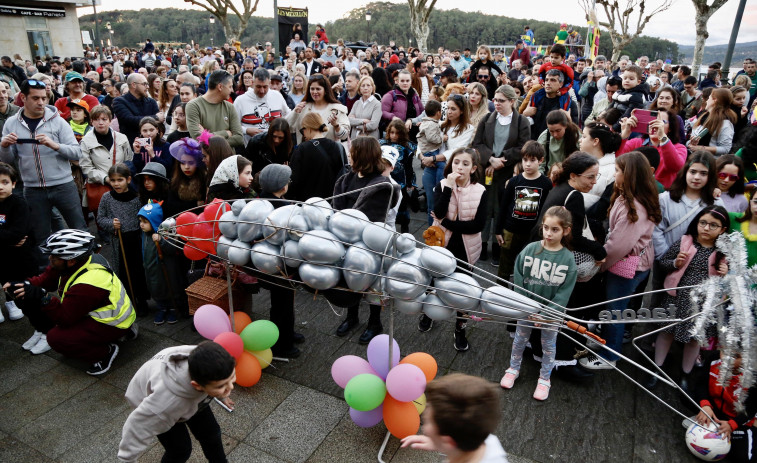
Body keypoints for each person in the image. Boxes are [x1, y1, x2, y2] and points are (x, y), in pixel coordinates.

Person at [4, 229, 135, 373]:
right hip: (107, 313)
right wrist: (25, 285)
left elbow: (64, 318)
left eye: (54, 256)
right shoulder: (78, 260)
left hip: (115, 323)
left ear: (71, 260)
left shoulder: (88, 284)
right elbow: (47, 279)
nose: (50, 259)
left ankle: (105, 352)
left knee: (56, 338)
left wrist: (43, 297)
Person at [579, 152, 661, 371]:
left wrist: (599, 264)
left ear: (629, 175)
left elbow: (618, 245)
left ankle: (609, 356)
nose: (614, 174)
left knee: (615, 310)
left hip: (627, 265)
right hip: (636, 264)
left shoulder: (633, 206)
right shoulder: (633, 197)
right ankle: (607, 343)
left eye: (617, 170)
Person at [0, 79, 87, 265]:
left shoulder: (58, 122)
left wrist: (55, 145)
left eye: (44, 98)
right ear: (23, 98)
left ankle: (87, 267)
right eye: (35, 98)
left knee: (78, 228)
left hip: (63, 185)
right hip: (33, 189)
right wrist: (5, 146)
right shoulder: (11, 123)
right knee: (40, 235)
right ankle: (47, 278)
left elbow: (77, 152)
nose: (41, 102)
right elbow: (7, 161)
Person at [647, 206, 729, 390]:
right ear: (697, 223)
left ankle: (685, 374)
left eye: (713, 225)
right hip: (676, 298)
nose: (707, 228)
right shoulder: (685, 242)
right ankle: (657, 369)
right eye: (703, 223)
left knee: (694, 339)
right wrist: (675, 262)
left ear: (722, 230)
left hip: (704, 306)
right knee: (666, 332)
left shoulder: (724, 253)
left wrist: (727, 274)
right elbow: (664, 262)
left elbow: (732, 284)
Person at [501, 205, 577, 400]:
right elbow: (518, 278)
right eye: (545, 227)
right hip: (527, 310)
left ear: (566, 230)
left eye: (555, 229)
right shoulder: (530, 249)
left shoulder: (568, 260)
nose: (548, 233)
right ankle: (513, 368)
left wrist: (545, 315)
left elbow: (563, 294)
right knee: (519, 340)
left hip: (551, 315)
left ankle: (545, 379)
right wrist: (526, 306)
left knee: (549, 346)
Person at [117, 342, 236, 462]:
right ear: (198, 386)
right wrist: (127, 459)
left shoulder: (212, 362)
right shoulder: (165, 405)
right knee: (180, 450)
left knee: (211, 434)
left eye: (232, 378)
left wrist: (222, 396)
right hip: (152, 398)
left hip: (189, 394)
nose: (230, 387)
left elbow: (222, 379)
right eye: (221, 386)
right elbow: (137, 427)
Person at [419, 148, 488, 351]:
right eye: (457, 162)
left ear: (473, 168)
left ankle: (460, 328)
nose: (460, 167)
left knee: (464, 290)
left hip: (467, 248)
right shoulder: (442, 185)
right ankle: (429, 313)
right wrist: (448, 186)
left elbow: (478, 225)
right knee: (433, 281)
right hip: (441, 245)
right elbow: (438, 211)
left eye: (466, 164)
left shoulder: (480, 191)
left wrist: (447, 223)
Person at [333, 137, 400, 343]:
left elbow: (371, 216)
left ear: (362, 155)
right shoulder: (347, 178)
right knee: (350, 279)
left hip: (370, 242)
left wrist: (345, 221)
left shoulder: (382, 185)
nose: (349, 155)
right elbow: (337, 206)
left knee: (372, 283)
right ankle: (351, 316)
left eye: (352, 152)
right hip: (346, 237)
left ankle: (374, 322)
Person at [472, 85, 530, 263]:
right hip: (487, 171)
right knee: (484, 209)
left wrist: (502, 159)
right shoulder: (486, 119)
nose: (496, 103)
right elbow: (477, 144)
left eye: (501, 101)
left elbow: (524, 147)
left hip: (507, 173)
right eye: (495, 100)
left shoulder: (521, 122)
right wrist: (490, 159)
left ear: (512, 102)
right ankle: (481, 247)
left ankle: (499, 248)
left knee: (502, 211)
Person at [255, 163, 304, 358]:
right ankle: (282, 343)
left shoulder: (259, 201)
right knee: (283, 303)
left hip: (264, 261)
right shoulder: (285, 208)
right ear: (283, 186)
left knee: (280, 302)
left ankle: (287, 334)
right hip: (281, 263)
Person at [400, 374, 509, 462]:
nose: (424, 427)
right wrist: (440, 444)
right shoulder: (489, 441)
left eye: (427, 422)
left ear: (448, 441)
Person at [96, 163, 150, 316]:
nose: (116, 184)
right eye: (113, 180)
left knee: (138, 270)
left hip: (136, 239)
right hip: (118, 241)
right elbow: (100, 218)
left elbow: (144, 216)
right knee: (122, 272)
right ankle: (128, 300)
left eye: (120, 180)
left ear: (128, 179)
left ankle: (142, 299)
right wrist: (110, 224)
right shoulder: (107, 198)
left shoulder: (137, 197)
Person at [495, 141, 553, 280]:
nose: (527, 164)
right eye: (525, 159)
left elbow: (546, 210)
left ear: (541, 160)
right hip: (510, 230)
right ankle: (500, 294)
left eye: (532, 160)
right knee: (504, 266)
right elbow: (503, 206)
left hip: (532, 233)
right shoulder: (514, 182)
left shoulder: (546, 184)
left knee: (527, 267)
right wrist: (498, 230)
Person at [80, 106, 134, 214]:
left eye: (104, 119)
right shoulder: (86, 141)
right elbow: (86, 168)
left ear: (110, 121)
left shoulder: (122, 138)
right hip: (100, 186)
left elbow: (129, 160)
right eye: (96, 119)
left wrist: (119, 178)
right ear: (91, 122)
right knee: (104, 220)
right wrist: (105, 178)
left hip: (122, 186)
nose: (100, 123)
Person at [616, 109, 686, 189]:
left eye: (662, 122)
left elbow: (675, 167)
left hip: (661, 196)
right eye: (652, 121)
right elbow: (617, 158)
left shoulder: (679, 148)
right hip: (633, 192)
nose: (655, 125)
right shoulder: (636, 142)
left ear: (670, 128)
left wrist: (662, 136)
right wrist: (625, 133)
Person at [0, 162, 34, 322]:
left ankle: (11, 301)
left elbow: (18, 233)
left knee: (13, 281)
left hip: (17, 256)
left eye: (4, 182)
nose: (0, 187)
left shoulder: (20, 203)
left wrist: (9, 238)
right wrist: (8, 238)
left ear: (13, 184)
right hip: (5, 250)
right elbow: (11, 236)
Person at [287, 113, 346, 202]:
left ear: (308, 128)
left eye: (302, 130)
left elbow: (294, 179)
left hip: (308, 203)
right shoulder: (338, 147)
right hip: (332, 202)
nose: (303, 134)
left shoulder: (302, 149)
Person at [186, 70, 244, 149]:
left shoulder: (230, 107)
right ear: (220, 87)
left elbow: (239, 139)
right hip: (205, 159)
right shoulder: (193, 106)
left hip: (228, 159)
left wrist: (208, 136)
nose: (232, 90)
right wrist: (226, 133)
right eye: (230, 86)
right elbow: (198, 138)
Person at [286, 73, 350, 145]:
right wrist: (295, 112)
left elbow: (344, 136)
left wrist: (336, 126)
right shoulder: (303, 107)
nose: (315, 92)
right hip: (306, 152)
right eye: (312, 89)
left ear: (325, 90)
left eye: (318, 89)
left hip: (328, 153)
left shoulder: (337, 109)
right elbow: (288, 128)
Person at [233, 68, 290, 147]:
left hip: (275, 148)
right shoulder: (240, 100)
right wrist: (246, 130)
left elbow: (287, 115)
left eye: (265, 87)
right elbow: (233, 125)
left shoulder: (277, 96)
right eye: (258, 87)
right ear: (252, 83)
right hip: (251, 149)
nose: (262, 91)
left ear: (269, 83)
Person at [379, 120, 416, 232]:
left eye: (397, 133)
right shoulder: (381, 144)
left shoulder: (407, 148)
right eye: (392, 132)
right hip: (384, 179)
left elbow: (409, 167)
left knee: (402, 206)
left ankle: (405, 231)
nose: (394, 136)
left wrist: (411, 183)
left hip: (401, 182)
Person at [523, 70, 577, 140]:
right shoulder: (535, 101)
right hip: (537, 142)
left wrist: (569, 120)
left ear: (561, 84)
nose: (548, 83)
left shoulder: (568, 104)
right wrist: (524, 115)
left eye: (553, 80)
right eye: (546, 80)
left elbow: (575, 132)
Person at [578, 122, 621, 208]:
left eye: (584, 136)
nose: (580, 140)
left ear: (595, 141)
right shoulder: (579, 162)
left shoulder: (613, 170)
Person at [112, 73, 163, 145]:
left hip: (152, 145)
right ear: (134, 85)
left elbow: (158, 124)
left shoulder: (151, 102)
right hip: (131, 145)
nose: (148, 87)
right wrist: (156, 117)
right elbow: (130, 120)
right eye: (144, 84)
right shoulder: (119, 101)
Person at [688, 88, 737, 156]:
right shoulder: (705, 115)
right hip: (695, 157)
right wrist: (691, 143)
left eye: (709, 98)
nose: (707, 100)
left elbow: (725, 149)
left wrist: (702, 148)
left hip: (709, 161)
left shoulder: (725, 123)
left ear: (714, 100)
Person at [381, 70, 424, 142]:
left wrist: (417, 121)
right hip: (397, 134)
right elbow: (383, 112)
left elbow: (423, 111)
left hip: (414, 134)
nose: (405, 83)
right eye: (402, 81)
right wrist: (393, 117)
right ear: (397, 81)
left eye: (407, 81)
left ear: (411, 82)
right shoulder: (390, 95)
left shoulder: (415, 95)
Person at [537, 110, 581, 175]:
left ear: (565, 126)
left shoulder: (576, 135)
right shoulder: (544, 137)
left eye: (558, 130)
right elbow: (539, 163)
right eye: (551, 131)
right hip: (550, 174)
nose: (555, 134)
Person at [609, 65, 648, 131]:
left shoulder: (637, 96)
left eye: (631, 79)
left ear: (638, 82)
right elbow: (611, 106)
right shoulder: (620, 92)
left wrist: (615, 127)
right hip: (613, 121)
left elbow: (628, 114)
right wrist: (603, 115)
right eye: (625, 78)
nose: (627, 81)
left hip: (627, 128)